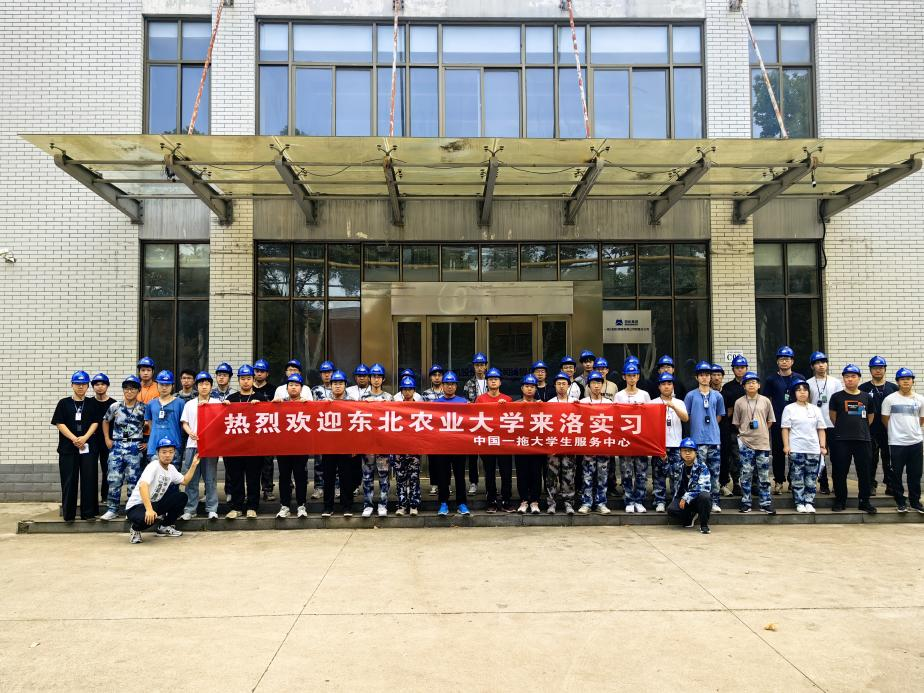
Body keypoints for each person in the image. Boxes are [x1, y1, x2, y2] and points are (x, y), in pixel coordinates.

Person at [125, 437, 200, 544]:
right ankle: (135, 529)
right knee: (149, 517)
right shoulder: (153, 466)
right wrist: (149, 510)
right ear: (158, 453)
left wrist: (193, 465)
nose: (167, 455)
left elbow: (184, 481)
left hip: (154, 503)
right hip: (136, 507)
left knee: (181, 497)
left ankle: (164, 526)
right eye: (164, 452)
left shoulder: (171, 468)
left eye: (171, 452)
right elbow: (143, 486)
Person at [52, 371, 101, 521]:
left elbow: (96, 422)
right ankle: (69, 514)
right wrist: (74, 438)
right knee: (69, 480)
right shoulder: (63, 403)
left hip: (88, 447)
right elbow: (59, 423)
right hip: (68, 448)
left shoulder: (92, 403)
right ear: (72, 385)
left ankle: (88, 513)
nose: (80, 387)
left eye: (83, 384)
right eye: (77, 384)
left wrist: (84, 438)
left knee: (89, 479)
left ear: (87, 386)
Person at [223, 364, 270, 519]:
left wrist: (261, 407)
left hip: (254, 446)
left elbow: (267, 419)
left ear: (253, 379)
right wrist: (224, 408)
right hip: (234, 447)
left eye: (248, 378)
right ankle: (236, 507)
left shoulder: (260, 398)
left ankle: (252, 506)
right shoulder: (231, 399)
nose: (245, 381)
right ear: (238, 380)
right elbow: (222, 421)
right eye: (242, 378)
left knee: (253, 478)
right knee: (235, 478)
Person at [829, 364, 876, 514]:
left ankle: (864, 501)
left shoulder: (866, 397)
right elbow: (833, 417)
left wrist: (861, 429)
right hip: (841, 440)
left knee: (865, 472)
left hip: (863, 439)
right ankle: (840, 500)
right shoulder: (836, 397)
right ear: (843, 379)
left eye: (853, 376)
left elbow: (870, 417)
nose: (850, 379)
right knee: (839, 472)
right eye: (847, 376)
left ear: (859, 378)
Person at [99, 375, 146, 521]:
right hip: (117, 446)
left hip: (135, 446)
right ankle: (112, 509)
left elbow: (151, 425)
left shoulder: (143, 408)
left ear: (138, 390)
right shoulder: (115, 406)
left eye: (133, 389)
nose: (129, 391)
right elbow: (105, 421)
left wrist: (147, 442)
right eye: (126, 388)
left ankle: (131, 510)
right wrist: (107, 438)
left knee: (133, 480)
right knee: (114, 479)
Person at [731, 372, 777, 515]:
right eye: (748, 382)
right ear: (743, 386)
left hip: (762, 443)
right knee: (745, 475)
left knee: (764, 475)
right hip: (745, 443)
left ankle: (765, 503)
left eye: (754, 382)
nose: (751, 385)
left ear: (759, 385)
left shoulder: (765, 401)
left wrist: (761, 431)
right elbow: (737, 423)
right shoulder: (739, 402)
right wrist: (745, 433)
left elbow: (770, 420)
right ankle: (746, 502)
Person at [684, 360, 726, 513]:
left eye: (707, 375)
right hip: (697, 440)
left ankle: (714, 501)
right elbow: (687, 416)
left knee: (714, 473)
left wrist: (711, 426)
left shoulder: (717, 396)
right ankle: (699, 502)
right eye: (701, 375)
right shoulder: (690, 396)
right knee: (699, 473)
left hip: (714, 439)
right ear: (697, 377)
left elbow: (719, 415)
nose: (704, 378)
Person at [881, 368, 924, 513]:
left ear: (913, 381)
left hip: (916, 442)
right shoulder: (890, 399)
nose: (905, 381)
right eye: (902, 379)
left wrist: (911, 430)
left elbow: (921, 419)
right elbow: (885, 419)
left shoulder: (920, 399)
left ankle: (915, 502)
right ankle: (900, 502)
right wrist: (896, 432)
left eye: (908, 379)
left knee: (915, 474)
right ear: (897, 382)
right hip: (896, 443)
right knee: (896, 475)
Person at [763, 346, 804, 494]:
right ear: (777, 362)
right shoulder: (771, 379)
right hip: (778, 421)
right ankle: (779, 481)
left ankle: (794, 480)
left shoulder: (799, 378)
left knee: (795, 452)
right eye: (781, 359)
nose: (784, 362)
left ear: (792, 361)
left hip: (796, 421)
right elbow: (767, 400)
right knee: (778, 452)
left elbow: (805, 397)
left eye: (787, 359)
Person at [179, 371, 220, 521]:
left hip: (210, 446)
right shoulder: (189, 404)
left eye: (207, 384)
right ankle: (190, 509)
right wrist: (190, 432)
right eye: (201, 384)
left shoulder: (217, 403)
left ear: (211, 386)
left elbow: (222, 422)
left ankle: (212, 509)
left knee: (210, 479)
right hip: (192, 445)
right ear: (197, 386)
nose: (204, 386)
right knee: (192, 479)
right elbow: (185, 422)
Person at [320, 370, 361, 518]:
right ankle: (328, 507)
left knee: (346, 478)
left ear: (345, 385)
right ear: (330, 385)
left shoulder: (352, 402)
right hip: (328, 446)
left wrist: (355, 446)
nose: (337, 386)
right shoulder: (323, 402)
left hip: (346, 446)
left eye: (340, 383)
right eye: (335, 383)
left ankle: (347, 506)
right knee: (328, 478)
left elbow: (357, 426)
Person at [781, 381, 827, 514]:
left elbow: (821, 429)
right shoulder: (789, 408)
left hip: (813, 448)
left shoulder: (815, 409)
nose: (802, 392)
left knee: (811, 477)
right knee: (797, 477)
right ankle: (799, 502)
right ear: (794, 393)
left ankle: (809, 502)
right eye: (799, 390)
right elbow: (785, 428)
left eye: (805, 390)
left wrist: (822, 446)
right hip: (796, 448)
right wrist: (786, 446)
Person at [432, 371, 471, 516]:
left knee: (460, 476)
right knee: (443, 476)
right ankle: (443, 503)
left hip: (459, 445)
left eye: (452, 384)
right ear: (442, 386)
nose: (450, 387)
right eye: (447, 384)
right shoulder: (435, 404)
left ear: (456, 386)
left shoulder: (464, 402)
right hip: (442, 446)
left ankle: (462, 503)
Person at [476, 367, 513, 513]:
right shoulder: (480, 399)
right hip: (488, 442)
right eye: (490, 379)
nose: (493, 381)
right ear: (487, 382)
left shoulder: (508, 399)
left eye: (496, 379)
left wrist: (506, 407)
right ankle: (491, 501)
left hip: (504, 443)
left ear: (500, 382)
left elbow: (513, 420)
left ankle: (506, 500)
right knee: (489, 473)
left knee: (506, 473)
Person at [860, 356, 899, 496]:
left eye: (881, 368)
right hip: (870, 429)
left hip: (889, 429)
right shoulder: (863, 388)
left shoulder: (893, 388)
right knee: (870, 458)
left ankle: (890, 484)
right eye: (875, 368)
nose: (878, 370)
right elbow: (859, 410)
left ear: (885, 369)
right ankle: (871, 484)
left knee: (889, 458)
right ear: (870, 370)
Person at [274, 373, 311, 519]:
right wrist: (273, 404)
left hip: (301, 447)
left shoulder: (307, 404)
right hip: (283, 447)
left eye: (296, 385)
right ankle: (285, 506)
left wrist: (308, 406)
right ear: (287, 388)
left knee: (300, 476)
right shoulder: (279, 403)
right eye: (291, 385)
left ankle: (301, 505)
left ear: (301, 388)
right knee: (284, 476)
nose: (293, 387)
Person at [615, 363, 651, 513]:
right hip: (625, 440)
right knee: (626, 473)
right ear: (624, 377)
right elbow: (616, 416)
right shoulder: (619, 395)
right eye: (629, 375)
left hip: (640, 439)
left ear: (638, 377)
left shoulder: (644, 395)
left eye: (634, 375)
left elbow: (650, 416)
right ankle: (629, 500)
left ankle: (639, 500)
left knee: (641, 473)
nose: (631, 378)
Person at [652, 372, 689, 513]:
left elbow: (685, 418)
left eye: (669, 384)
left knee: (677, 475)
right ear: (659, 386)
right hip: (659, 445)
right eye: (663, 384)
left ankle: (675, 500)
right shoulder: (653, 403)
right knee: (658, 475)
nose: (666, 386)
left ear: (673, 386)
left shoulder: (679, 402)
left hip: (676, 445)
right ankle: (659, 501)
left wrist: (673, 406)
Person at [577, 371, 613, 515]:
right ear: (588, 385)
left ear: (602, 385)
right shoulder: (582, 402)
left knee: (602, 476)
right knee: (587, 475)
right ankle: (586, 502)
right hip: (588, 444)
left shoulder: (609, 403)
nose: (596, 386)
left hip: (604, 444)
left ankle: (601, 503)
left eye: (599, 383)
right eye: (593, 383)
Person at [361, 363, 393, 518]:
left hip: (383, 443)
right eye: (373, 376)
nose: (376, 379)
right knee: (367, 477)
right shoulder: (362, 398)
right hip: (367, 443)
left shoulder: (389, 398)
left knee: (383, 476)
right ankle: (367, 505)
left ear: (383, 379)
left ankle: (382, 504)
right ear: (369, 378)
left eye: (379, 376)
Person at [806, 351, 840, 496]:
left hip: (833, 424)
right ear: (812, 366)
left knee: (837, 456)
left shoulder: (835, 382)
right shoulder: (808, 383)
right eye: (817, 363)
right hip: (816, 426)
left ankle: (838, 484)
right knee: (820, 456)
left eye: (823, 362)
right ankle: (823, 484)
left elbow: (839, 403)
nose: (821, 365)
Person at [544, 371, 577, 515]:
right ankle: (551, 503)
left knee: (569, 475)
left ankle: (568, 503)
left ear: (569, 385)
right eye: (559, 384)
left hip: (569, 444)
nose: (562, 386)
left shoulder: (576, 403)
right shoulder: (550, 403)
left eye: (564, 383)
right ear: (555, 386)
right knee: (551, 476)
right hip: (553, 445)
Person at [513, 374, 544, 514]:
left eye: (532, 386)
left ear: (536, 389)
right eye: (527, 386)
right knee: (522, 474)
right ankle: (524, 501)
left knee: (536, 474)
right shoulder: (514, 405)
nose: (529, 389)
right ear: (522, 388)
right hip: (520, 445)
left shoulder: (542, 405)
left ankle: (535, 501)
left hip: (537, 445)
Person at [667, 437, 712, 534]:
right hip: (683, 499)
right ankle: (690, 516)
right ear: (680, 452)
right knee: (671, 510)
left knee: (705, 496)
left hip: (696, 499)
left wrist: (687, 497)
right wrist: (664, 460)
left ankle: (704, 525)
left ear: (696, 452)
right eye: (684, 451)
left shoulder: (702, 467)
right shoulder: (678, 466)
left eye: (690, 451)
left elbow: (704, 487)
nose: (687, 453)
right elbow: (665, 472)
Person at [392, 375, 422, 516]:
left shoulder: (420, 406)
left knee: (414, 478)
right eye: (405, 389)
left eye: (410, 389)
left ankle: (414, 505)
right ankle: (402, 505)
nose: (407, 392)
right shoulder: (396, 406)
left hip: (414, 448)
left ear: (414, 390)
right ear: (401, 391)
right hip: (399, 448)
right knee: (400, 478)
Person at [720, 355, 748, 496]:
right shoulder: (728, 387)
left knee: (749, 458)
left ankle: (751, 483)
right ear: (733, 369)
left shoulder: (752, 384)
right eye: (737, 367)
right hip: (733, 429)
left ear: (746, 368)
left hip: (749, 430)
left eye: (742, 367)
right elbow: (725, 410)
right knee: (735, 458)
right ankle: (737, 483)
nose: (740, 370)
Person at [144, 370, 184, 467]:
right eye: (161, 384)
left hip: (174, 446)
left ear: (172, 386)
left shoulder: (180, 403)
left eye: (167, 385)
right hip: (154, 446)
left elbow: (183, 425)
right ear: (157, 385)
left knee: (173, 475)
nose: (164, 387)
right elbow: (149, 423)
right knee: (155, 475)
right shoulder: (151, 404)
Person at [462, 352, 489, 495]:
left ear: (486, 366)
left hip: (488, 423)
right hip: (473, 423)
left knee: (487, 456)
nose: (479, 368)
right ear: (473, 367)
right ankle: (473, 482)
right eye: (477, 365)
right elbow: (465, 403)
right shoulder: (469, 383)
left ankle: (489, 483)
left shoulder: (491, 381)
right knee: (472, 456)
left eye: (481, 365)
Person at [89, 372, 116, 506]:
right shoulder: (89, 403)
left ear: (107, 386)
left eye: (103, 384)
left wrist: (111, 439)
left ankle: (105, 496)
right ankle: (91, 498)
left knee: (107, 469)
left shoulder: (114, 404)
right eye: (97, 384)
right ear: (93, 387)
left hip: (108, 441)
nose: (100, 387)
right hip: (92, 441)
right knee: (91, 469)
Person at [309, 359, 333, 500]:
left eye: (329, 372)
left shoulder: (340, 387)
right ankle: (319, 487)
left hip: (335, 430)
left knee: (336, 460)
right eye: (324, 372)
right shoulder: (315, 390)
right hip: (320, 430)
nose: (327, 375)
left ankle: (336, 486)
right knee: (319, 461)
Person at [422, 364, 445, 497]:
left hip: (445, 430)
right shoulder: (426, 394)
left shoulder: (447, 391)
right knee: (432, 460)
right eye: (434, 375)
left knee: (445, 459)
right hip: (431, 431)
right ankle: (434, 484)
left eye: (439, 375)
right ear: (431, 377)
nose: (437, 377)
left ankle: (446, 484)